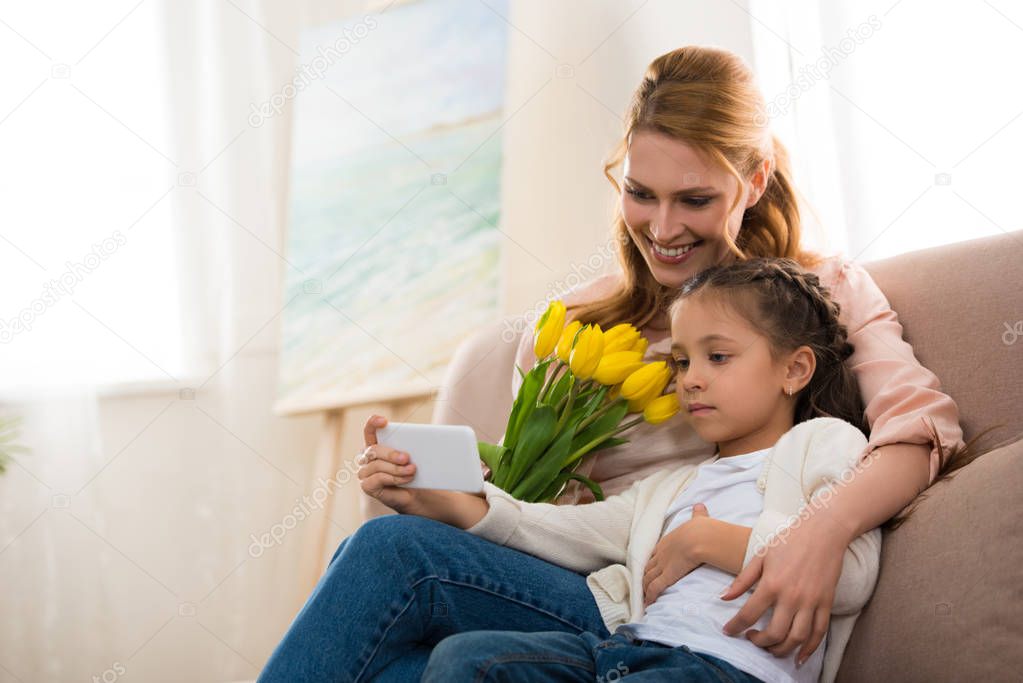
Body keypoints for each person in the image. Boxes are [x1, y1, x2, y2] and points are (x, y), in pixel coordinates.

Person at [257, 44, 965, 681]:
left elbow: (916, 430)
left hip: (683, 607)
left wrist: (818, 531)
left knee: (396, 588)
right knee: (389, 559)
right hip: (586, 585)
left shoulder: (822, 295)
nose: (662, 229)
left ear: (753, 182)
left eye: (695, 199)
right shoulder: (572, 325)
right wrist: (453, 494)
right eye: (640, 193)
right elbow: (550, 518)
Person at [258, 257, 883, 682]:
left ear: (795, 369)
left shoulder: (821, 444)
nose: (692, 379)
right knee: (466, 660)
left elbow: (848, 575)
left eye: (717, 357)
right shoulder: (670, 488)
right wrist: (458, 503)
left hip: (720, 669)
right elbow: (557, 534)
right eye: (682, 361)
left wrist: (705, 540)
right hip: (629, 650)